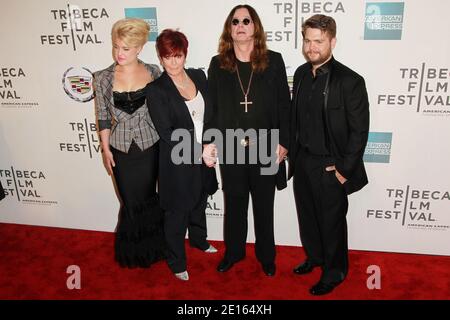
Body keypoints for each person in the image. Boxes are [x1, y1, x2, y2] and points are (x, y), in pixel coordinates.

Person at [206, 4, 290, 276]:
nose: (240, 25)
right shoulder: (218, 64)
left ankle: (267, 256)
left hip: (266, 146)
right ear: (229, 29)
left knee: (264, 206)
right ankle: (234, 253)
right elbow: (212, 107)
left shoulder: (274, 61)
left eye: (246, 20)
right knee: (235, 204)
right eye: (235, 22)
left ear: (255, 27)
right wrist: (210, 140)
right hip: (231, 145)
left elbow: (284, 105)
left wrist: (284, 142)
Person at [289, 14, 370, 295]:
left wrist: (343, 170)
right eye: (308, 41)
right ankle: (315, 257)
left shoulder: (350, 81)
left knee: (332, 224)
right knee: (308, 217)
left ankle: (334, 272)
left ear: (332, 41)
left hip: (330, 166)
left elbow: (360, 132)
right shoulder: (300, 73)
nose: (312, 47)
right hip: (303, 162)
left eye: (319, 42)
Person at [93, 18, 166, 268]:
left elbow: (164, 110)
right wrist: (105, 150)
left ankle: (153, 250)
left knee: (148, 198)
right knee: (130, 201)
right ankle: (133, 253)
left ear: (139, 48)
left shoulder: (154, 72)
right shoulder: (102, 77)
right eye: (116, 47)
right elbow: (102, 116)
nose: (119, 53)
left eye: (125, 48)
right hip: (121, 149)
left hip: (150, 146)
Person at [147, 29, 219, 281]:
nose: (173, 62)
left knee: (200, 200)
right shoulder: (156, 90)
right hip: (178, 159)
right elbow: (166, 132)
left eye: (177, 56)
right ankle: (176, 261)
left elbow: (212, 112)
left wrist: (211, 146)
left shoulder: (199, 76)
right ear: (160, 57)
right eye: (167, 57)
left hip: (205, 153)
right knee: (177, 213)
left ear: (185, 55)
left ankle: (199, 241)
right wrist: (200, 151)